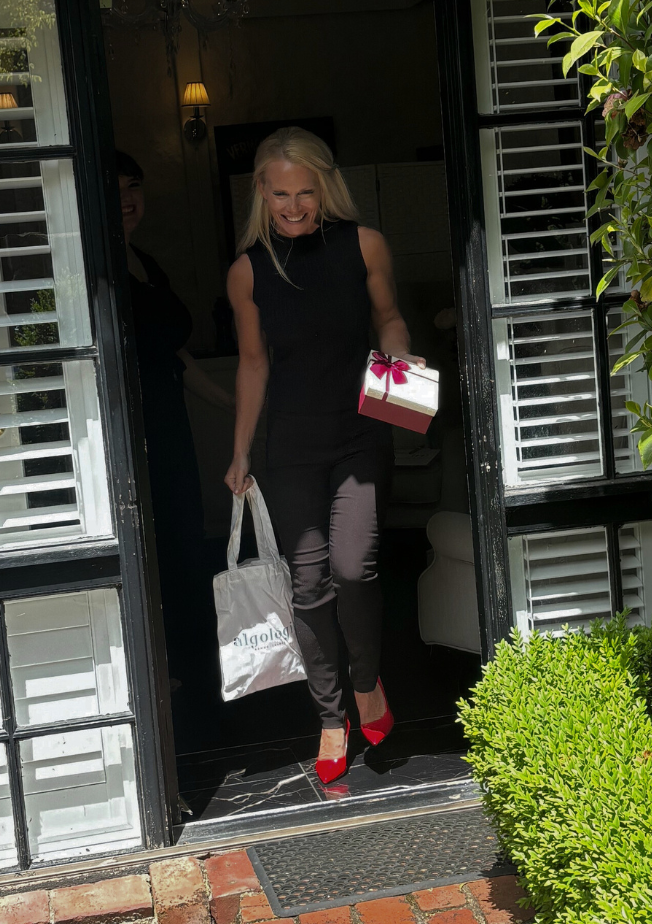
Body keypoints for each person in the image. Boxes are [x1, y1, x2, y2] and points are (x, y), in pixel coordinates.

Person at [223, 128, 425, 785]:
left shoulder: (364, 245)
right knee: (308, 588)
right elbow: (253, 363)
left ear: (325, 187)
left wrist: (400, 356)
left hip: (361, 431)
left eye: (305, 193)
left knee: (354, 569)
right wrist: (240, 451)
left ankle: (367, 684)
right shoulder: (247, 271)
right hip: (291, 445)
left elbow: (388, 317)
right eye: (280, 194)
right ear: (262, 190)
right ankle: (331, 717)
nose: (293, 206)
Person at [118, 151, 232, 740]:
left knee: (184, 538)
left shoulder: (146, 263)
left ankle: (186, 667)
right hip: (130, 432)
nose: (127, 199)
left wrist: (232, 404)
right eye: (114, 189)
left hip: (170, 424)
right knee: (149, 546)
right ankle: (150, 670)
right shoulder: (94, 266)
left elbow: (176, 354)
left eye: (134, 186)